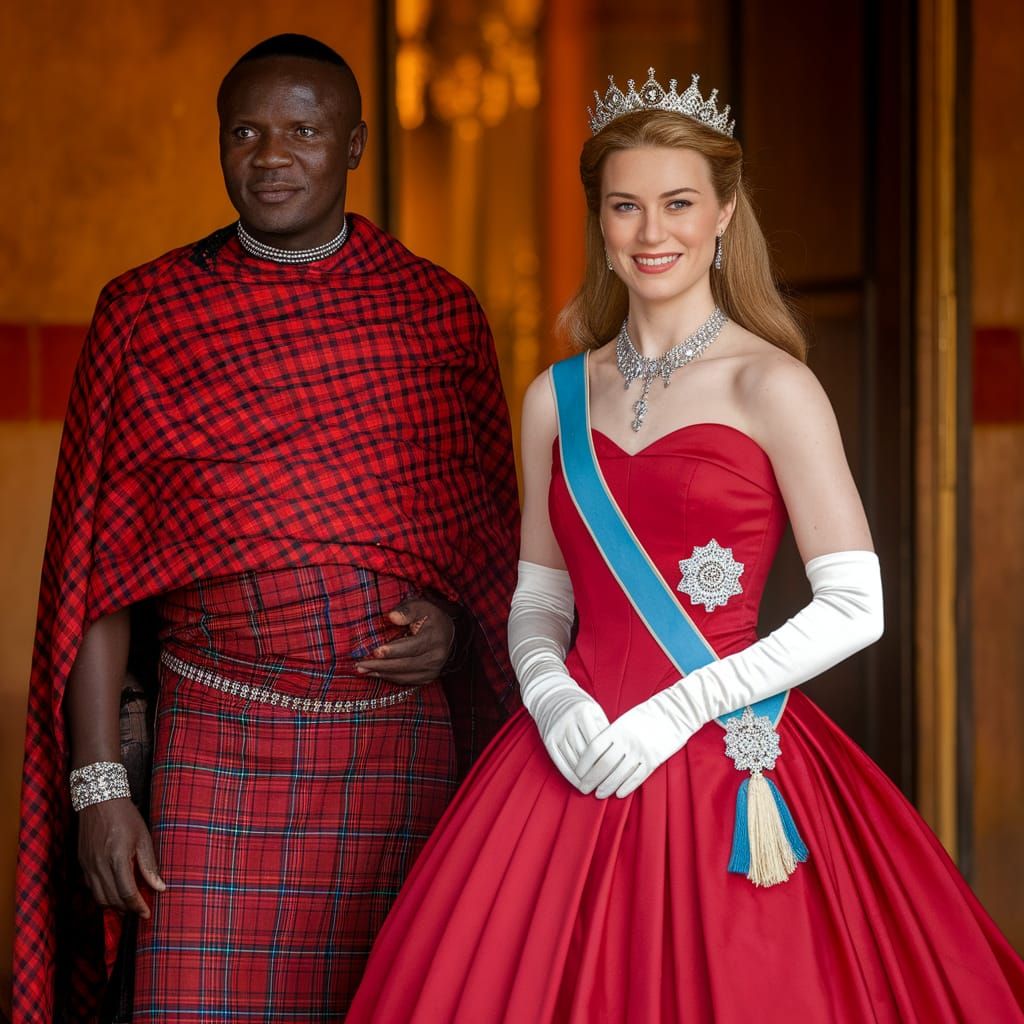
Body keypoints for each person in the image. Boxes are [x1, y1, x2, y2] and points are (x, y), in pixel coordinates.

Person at [347, 70, 1024, 1022]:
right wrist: (549, 698)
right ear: (601, 220)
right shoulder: (554, 397)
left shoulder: (772, 385)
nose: (651, 232)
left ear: (724, 213)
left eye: (677, 204)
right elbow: (538, 598)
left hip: (721, 757)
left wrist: (675, 714)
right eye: (626, 206)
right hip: (572, 754)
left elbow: (857, 604)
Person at [13, 33, 519, 1024]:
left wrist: (454, 629)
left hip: (396, 764)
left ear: (355, 144)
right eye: (244, 131)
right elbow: (91, 577)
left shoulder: (436, 316)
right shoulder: (148, 314)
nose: (271, 155)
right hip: (212, 753)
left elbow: (491, 556)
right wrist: (99, 787)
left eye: (303, 130)